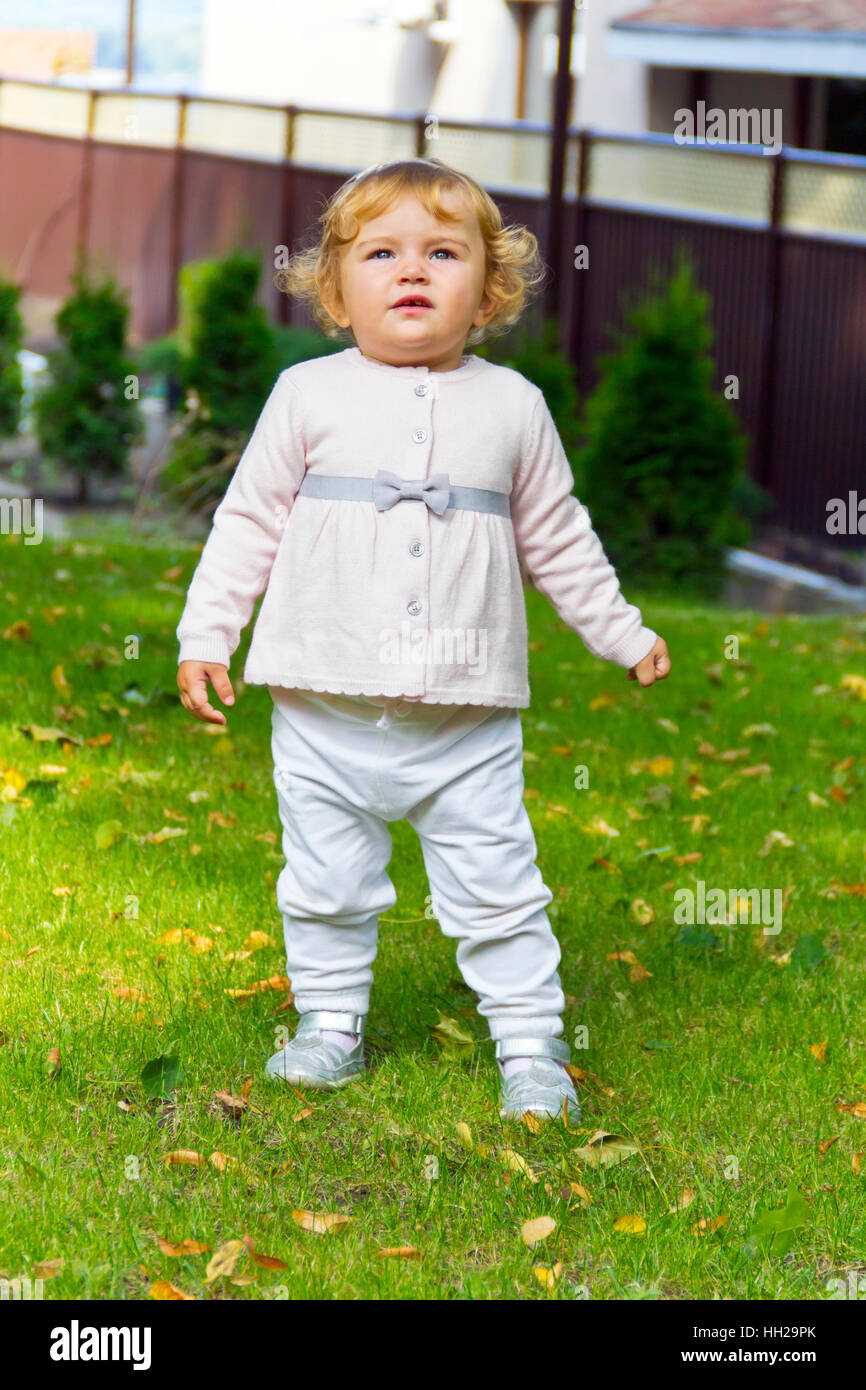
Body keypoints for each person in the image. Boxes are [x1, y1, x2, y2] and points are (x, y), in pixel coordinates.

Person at [176, 156, 671, 1123]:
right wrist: (208, 634)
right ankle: (328, 1024)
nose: (412, 271)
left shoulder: (513, 408)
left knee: (499, 888)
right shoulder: (307, 395)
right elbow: (247, 523)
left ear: (487, 292)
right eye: (383, 253)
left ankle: (530, 1042)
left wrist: (622, 629)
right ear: (335, 287)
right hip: (322, 706)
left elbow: (560, 534)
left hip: (465, 719)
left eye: (442, 253)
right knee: (323, 882)